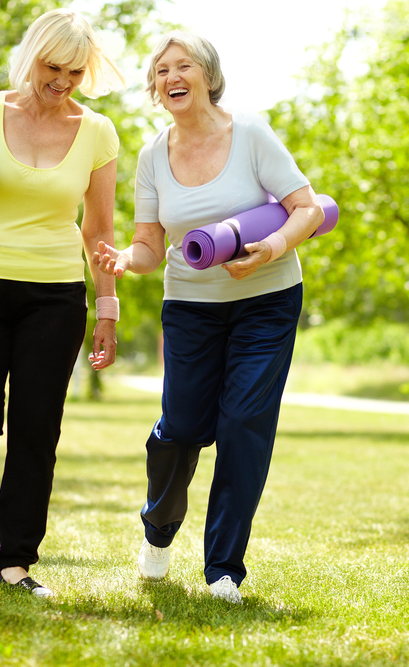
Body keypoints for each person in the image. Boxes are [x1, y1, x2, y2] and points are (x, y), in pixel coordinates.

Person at [94, 31, 325, 604]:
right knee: (181, 429)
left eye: (184, 66)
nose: (171, 76)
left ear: (207, 75)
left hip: (268, 300)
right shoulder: (153, 155)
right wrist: (125, 259)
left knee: (243, 423)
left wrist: (269, 251)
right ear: (155, 87)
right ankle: (158, 531)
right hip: (192, 306)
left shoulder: (248, 133)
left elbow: (308, 209)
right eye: (161, 70)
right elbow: (149, 245)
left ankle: (224, 569)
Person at [0, 9, 125, 597]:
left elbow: (100, 231)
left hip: (54, 295)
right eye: (53, 66)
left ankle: (16, 558)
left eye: (75, 70)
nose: (62, 80)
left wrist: (108, 309)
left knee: (37, 427)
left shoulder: (97, 131)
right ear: (32, 54)